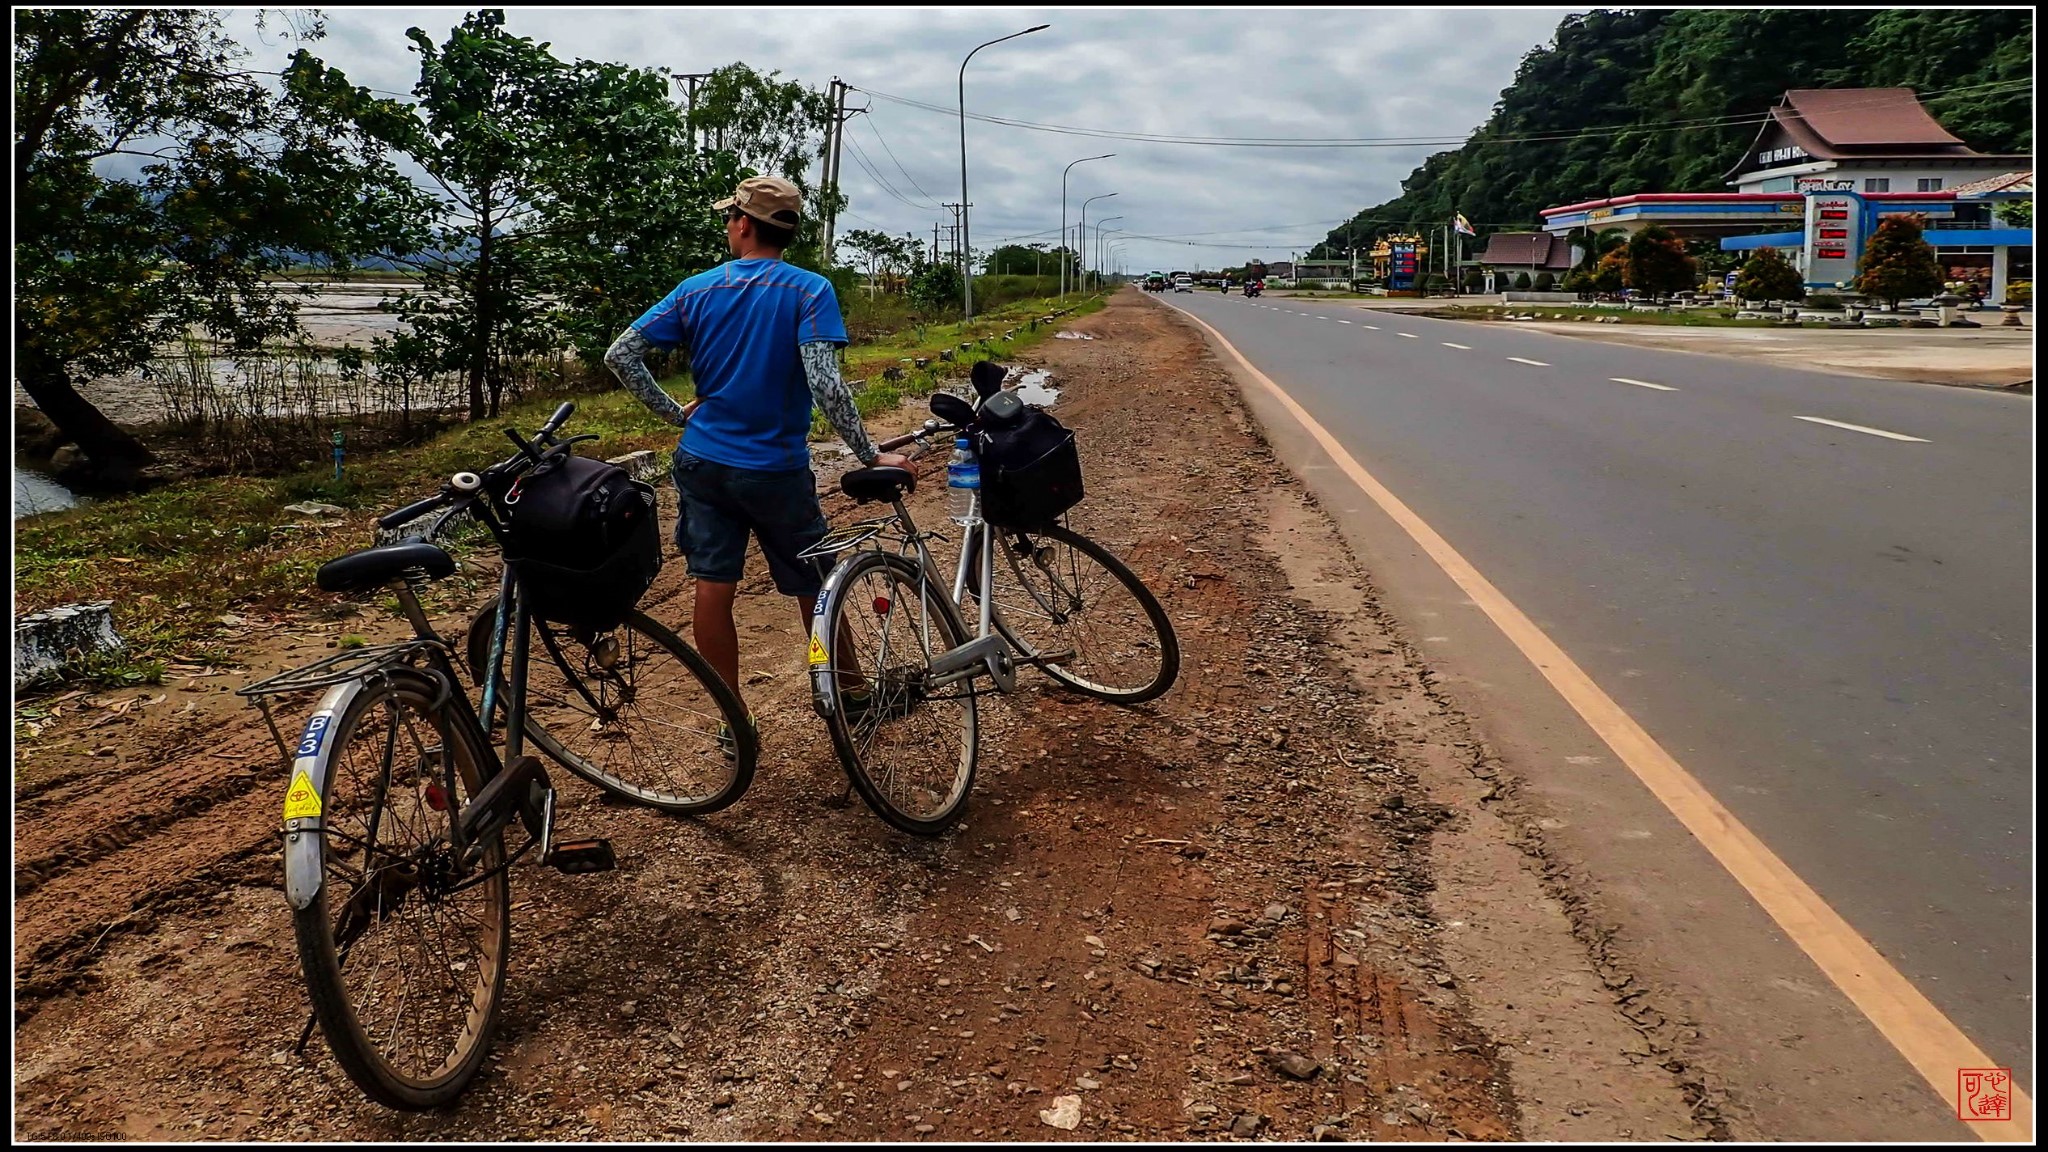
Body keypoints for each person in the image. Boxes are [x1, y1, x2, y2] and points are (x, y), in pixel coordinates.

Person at [604, 175, 914, 750]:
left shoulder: (696, 289)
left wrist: (676, 415)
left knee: (713, 584)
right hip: (775, 469)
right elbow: (825, 383)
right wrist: (871, 452)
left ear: (745, 224)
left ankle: (734, 718)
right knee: (813, 585)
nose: (728, 227)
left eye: (730, 219)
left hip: (703, 462)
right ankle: (847, 689)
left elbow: (620, 353)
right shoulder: (808, 291)